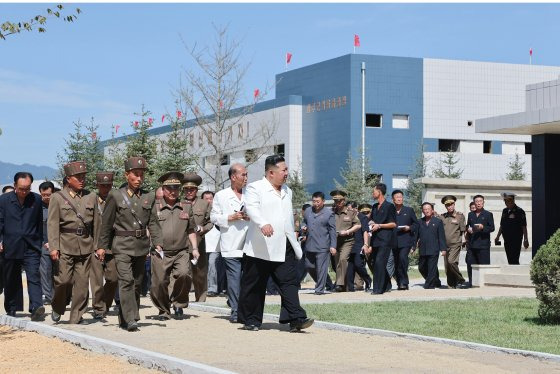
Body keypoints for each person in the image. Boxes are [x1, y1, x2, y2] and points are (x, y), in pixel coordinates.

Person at [238, 154, 313, 332]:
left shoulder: (288, 190)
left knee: (289, 282)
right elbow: (251, 207)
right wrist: (263, 223)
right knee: (255, 284)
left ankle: (296, 318)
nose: (287, 173)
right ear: (271, 173)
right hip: (260, 245)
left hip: (283, 244)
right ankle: (252, 320)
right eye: (284, 170)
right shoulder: (256, 188)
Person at [97, 156, 163, 331]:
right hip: (121, 245)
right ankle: (131, 318)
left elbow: (153, 222)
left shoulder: (148, 196)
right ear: (127, 175)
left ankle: (126, 317)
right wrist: (102, 246)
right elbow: (106, 223)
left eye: (141, 175)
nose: (139, 178)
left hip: (141, 246)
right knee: (125, 280)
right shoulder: (116, 195)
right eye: (135, 174)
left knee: (136, 283)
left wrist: (157, 242)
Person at [48, 161, 98, 324]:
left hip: (85, 245)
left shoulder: (91, 196)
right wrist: (54, 247)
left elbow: (98, 223)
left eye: (83, 176)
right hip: (65, 245)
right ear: (69, 179)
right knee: (63, 281)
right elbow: (53, 224)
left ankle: (77, 316)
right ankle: (57, 307)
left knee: (82, 284)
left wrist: (98, 246)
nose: (82, 180)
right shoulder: (57, 197)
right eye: (78, 177)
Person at [151, 172, 199, 320]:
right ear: (163, 189)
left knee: (184, 275)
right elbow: (149, 228)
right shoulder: (155, 207)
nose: (173, 192)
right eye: (169, 188)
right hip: (160, 252)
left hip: (181, 251)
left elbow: (191, 229)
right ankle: (164, 310)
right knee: (159, 282)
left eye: (176, 188)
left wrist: (195, 248)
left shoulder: (186, 206)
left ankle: (178, 303)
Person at [0, 172, 44, 320]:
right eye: (21, 188)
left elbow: (39, 223)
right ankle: (12, 307)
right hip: (10, 245)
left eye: (27, 188)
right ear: (14, 186)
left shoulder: (36, 200)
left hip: (31, 245)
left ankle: (36, 307)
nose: (24, 192)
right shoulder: (4, 200)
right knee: (11, 277)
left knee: (34, 276)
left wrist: (41, 241)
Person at [210, 163, 250, 323]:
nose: (246, 178)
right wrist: (229, 217)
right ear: (233, 177)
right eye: (243, 175)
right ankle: (236, 310)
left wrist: (250, 216)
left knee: (247, 279)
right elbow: (213, 217)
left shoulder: (251, 194)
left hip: (249, 243)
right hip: (231, 242)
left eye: (247, 175)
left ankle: (241, 305)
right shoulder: (221, 195)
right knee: (234, 279)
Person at [90, 172, 118, 319]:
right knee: (96, 281)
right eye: (103, 185)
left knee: (113, 279)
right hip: (94, 245)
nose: (106, 188)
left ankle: (105, 304)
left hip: (112, 246)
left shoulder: (116, 200)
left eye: (108, 185)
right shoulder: (91, 200)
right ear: (97, 185)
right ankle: (98, 308)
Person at [182, 173, 213, 302]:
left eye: (192, 189)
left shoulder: (204, 204)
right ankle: (182, 299)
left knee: (200, 272)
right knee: (183, 272)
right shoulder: (179, 203)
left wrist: (204, 229)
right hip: (182, 243)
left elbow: (211, 221)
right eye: (186, 189)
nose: (189, 192)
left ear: (196, 190)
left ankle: (201, 298)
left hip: (199, 242)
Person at [303, 191, 337, 295]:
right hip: (309, 244)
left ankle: (319, 289)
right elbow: (304, 222)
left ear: (323, 201)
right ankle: (324, 283)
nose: (316, 204)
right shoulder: (308, 211)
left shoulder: (329, 213)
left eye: (318, 201)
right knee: (309, 266)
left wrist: (333, 246)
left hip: (323, 245)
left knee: (321, 268)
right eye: (314, 201)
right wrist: (303, 227)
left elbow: (332, 230)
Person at [366, 183, 397, 294]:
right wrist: (372, 222)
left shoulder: (390, 206)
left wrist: (379, 225)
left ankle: (378, 289)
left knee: (379, 262)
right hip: (375, 240)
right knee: (375, 263)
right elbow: (373, 221)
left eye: (374, 191)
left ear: (379, 192)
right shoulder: (374, 207)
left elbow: (393, 224)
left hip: (385, 239)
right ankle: (387, 284)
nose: (372, 193)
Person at [330, 190, 361, 292]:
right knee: (337, 263)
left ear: (343, 201)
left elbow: (358, 225)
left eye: (339, 201)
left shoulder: (350, 213)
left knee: (343, 260)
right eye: (335, 201)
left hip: (347, 241)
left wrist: (348, 231)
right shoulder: (331, 212)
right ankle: (344, 285)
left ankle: (339, 284)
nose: (337, 203)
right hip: (335, 241)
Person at [391, 190, 418, 290]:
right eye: (397, 197)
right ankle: (399, 282)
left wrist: (409, 228)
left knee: (403, 259)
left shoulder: (409, 210)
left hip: (405, 240)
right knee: (396, 262)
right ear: (393, 199)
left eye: (401, 197)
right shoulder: (390, 210)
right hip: (393, 241)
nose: (399, 198)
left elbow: (416, 224)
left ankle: (404, 282)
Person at [416, 202, 447, 289]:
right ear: (422, 211)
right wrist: (413, 247)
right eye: (424, 209)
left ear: (432, 210)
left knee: (432, 267)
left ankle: (429, 284)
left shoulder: (438, 222)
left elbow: (441, 236)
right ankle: (436, 281)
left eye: (428, 209)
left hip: (434, 249)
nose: (426, 211)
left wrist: (443, 249)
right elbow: (416, 236)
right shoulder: (419, 222)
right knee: (421, 267)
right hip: (423, 249)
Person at [466, 194, 495, 287]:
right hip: (472, 244)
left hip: (483, 245)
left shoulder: (488, 214)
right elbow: (468, 225)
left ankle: (484, 284)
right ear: (474, 203)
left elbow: (492, 228)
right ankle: (471, 283)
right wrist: (468, 229)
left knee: (484, 265)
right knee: (470, 264)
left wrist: (483, 228)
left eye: (480, 201)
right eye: (477, 201)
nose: (478, 203)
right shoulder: (470, 214)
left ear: (483, 202)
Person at [494, 192, 529, 265]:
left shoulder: (520, 211)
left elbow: (524, 226)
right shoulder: (504, 211)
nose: (507, 203)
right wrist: (497, 236)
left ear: (513, 200)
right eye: (506, 201)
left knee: (515, 258)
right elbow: (502, 225)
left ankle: (516, 273)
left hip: (516, 239)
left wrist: (526, 239)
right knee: (510, 258)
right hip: (507, 238)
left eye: (509, 201)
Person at [440, 195, 466, 288]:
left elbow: (463, 230)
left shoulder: (460, 216)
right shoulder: (442, 217)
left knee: (451, 262)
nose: (449, 207)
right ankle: (451, 285)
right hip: (445, 245)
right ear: (445, 206)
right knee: (447, 267)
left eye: (451, 204)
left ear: (454, 204)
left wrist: (464, 241)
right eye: (447, 205)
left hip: (455, 244)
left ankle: (460, 279)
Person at [347, 203, 372, 292]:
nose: (348, 211)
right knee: (350, 267)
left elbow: (365, 231)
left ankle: (368, 279)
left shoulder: (362, 217)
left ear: (355, 209)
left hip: (359, 244)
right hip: (348, 244)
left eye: (349, 209)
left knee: (358, 264)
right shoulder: (347, 217)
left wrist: (365, 245)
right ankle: (350, 287)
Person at [38, 181, 55, 305]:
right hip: (44, 243)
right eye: (43, 195)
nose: (46, 197)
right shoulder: (37, 207)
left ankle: (61, 295)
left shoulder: (59, 205)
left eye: (48, 194)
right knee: (46, 270)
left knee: (59, 272)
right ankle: (49, 297)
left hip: (60, 243)